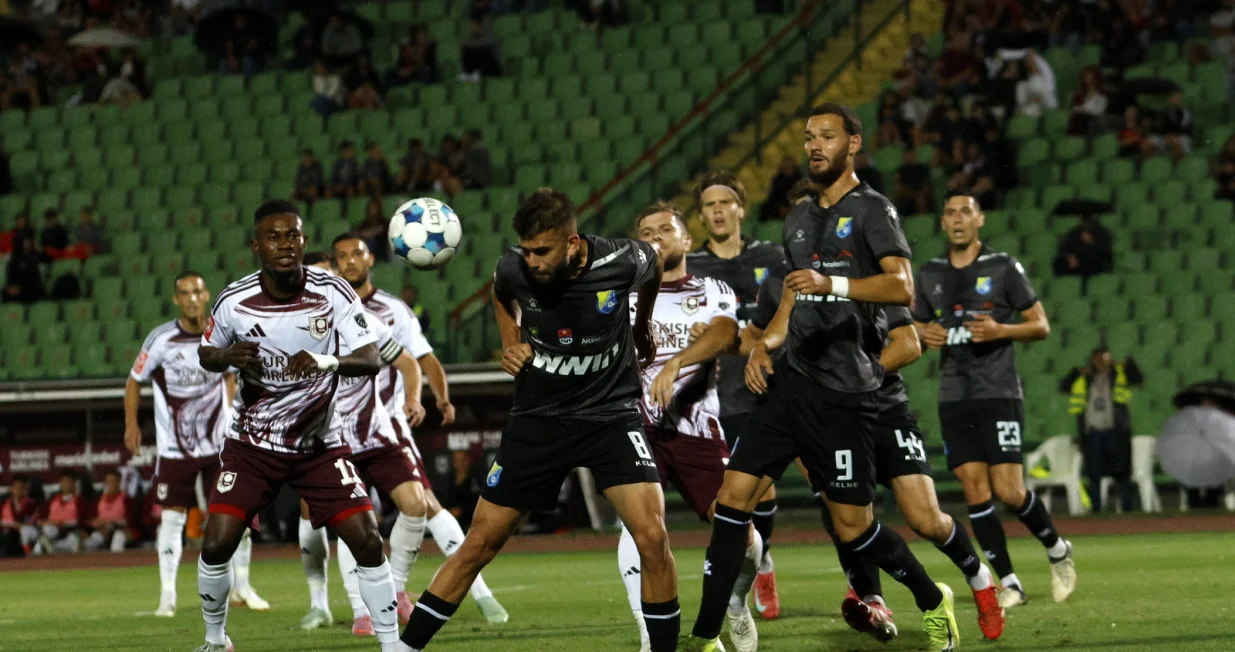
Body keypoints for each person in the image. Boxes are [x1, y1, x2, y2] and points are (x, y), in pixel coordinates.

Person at [682, 104, 959, 652]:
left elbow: (900, 285)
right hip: (790, 386)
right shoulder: (799, 219)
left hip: (846, 393)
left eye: (827, 137)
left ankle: (932, 600)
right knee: (733, 500)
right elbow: (793, 293)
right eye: (809, 136)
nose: (814, 146)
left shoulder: (874, 210)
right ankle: (705, 637)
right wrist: (765, 344)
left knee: (854, 528)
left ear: (852, 144)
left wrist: (832, 285)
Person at [397, 189, 678, 652]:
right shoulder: (514, 267)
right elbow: (500, 292)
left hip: (610, 414)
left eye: (541, 251)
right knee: (480, 543)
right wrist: (511, 338)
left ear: (572, 243)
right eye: (526, 250)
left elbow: (656, 265)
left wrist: (641, 324)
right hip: (539, 419)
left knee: (652, 535)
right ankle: (406, 649)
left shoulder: (625, 260)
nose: (531, 261)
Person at [739, 217, 1005, 643]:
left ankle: (979, 580)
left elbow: (909, 344)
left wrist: (861, 378)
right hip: (828, 416)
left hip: (883, 410)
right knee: (845, 516)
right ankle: (873, 597)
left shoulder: (866, 278)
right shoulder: (785, 282)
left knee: (925, 519)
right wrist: (758, 350)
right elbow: (770, 331)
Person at [193, 199, 399, 652]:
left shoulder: (335, 291)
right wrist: (227, 357)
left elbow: (371, 358)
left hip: (318, 446)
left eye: (293, 235)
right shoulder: (234, 300)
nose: (285, 244)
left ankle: (392, 644)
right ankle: (215, 641)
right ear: (256, 245)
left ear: (304, 241)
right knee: (215, 544)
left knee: (367, 539)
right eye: (274, 236)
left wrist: (326, 360)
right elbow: (206, 353)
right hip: (252, 446)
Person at [912, 191, 1076, 610]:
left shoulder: (1003, 268)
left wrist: (1000, 331)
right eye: (949, 213)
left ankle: (1057, 549)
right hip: (954, 393)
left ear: (979, 219)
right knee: (974, 488)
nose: (957, 219)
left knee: (1010, 490)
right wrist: (922, 334)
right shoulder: (929, 273)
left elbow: (1040, 325)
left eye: (965, 211)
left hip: (998, 391)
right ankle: (1010, 583)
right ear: (943, 223)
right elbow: (913, 326)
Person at [620, 201, 760, 652]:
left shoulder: (710, 288)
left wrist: (676, 362)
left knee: (742, 534)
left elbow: (723, 333)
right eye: (647, 231)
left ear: (685, 239)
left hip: (697, 427)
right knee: (640, 530)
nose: (656, 236)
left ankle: (736, 602)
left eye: (666, 229)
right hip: (638, 428)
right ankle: (650, 638)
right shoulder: (623, 296)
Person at [295, 250, 429, 635]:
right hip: (330, 444)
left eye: (326, 279)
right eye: (312, 280)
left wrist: (413, 398)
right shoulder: (293, 332)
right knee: (351, 524)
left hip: (375, 434)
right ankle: (359, 611)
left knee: (416, 505)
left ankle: (398, 588)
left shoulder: (364, 323)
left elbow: (406, 363)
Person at [125, 270, 267, 618]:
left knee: (242, 514)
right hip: (175, 448)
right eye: (184, 293)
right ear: (177, 299)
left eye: (197, 292)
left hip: (220, 445)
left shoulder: (221, 334)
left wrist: (237, 418)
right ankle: (168, 597)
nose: (191, 298)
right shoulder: (160, 339)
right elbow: (134, 380)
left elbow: (233, 379)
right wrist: (131, 424)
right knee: (172, 521)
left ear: (206, 296)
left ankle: (243, 587)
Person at [683, 170, 787, 619]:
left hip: (760, 391)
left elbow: (790, 313)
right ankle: (747, 570)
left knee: (761, 493)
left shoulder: (774, 258)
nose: (719, 211)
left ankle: (759, 564)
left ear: (741, 208)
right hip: (711, 397)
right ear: (701, 216)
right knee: (731, 500)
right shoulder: (692, 267)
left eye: (726, 202)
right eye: (709, 205)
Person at [1060, 348, 1144, 512]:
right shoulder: (1085, 378)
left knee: (1121, 471)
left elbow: (1138, 379)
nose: (1101, 363)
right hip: (1093, 431)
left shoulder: (1118, 374)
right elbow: (1064, 386)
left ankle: (1127, 506)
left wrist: (1129, 364)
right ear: (1092, 360)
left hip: (1116, 429)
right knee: (1094, 472)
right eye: (1098, 359)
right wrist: (1076, 372)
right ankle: (1096, 507)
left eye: (1105, 359)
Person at [34, 471, 85, 555]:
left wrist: (62, 523)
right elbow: (40, 519)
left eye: (68, 481)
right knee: (46, 532)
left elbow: (81, 520)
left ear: (74, 483)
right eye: (63, 482)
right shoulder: (52, 500)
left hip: (70, 531)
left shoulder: (80, 500)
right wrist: (48, 523)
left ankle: (47, 544)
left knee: (73, 541)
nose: (66, 484)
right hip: (52, 530)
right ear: (60, 483)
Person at [85, 470, 133, 553]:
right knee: (90, 542)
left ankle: (117, 564)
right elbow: (88, 520)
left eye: (113, 481)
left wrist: (111, 523)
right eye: (108, 482)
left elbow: (131, 522)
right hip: (102, 531)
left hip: (120, 531)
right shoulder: (99, 499)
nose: (110, 485)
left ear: (119, 482)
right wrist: (94, 523)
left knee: (118, 537)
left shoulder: (126, 499)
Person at [0, 476, 39, 557]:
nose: (18, 489)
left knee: (27, 530)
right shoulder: (4, 503)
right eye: (16, 487)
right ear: (11, 489)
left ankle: (29, 553)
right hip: (7, 533)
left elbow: (33, 520)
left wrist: (21, 526)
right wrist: (15, 525)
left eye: (21, 487)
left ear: (26, 489)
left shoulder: (31, 504)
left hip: (24, 533)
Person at [761, 155, 804, 221]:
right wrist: (780, 208)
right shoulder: (777, 179)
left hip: (795, 207)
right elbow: (773, 196)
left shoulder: (799, 179)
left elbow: (802, 195)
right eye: (786, 167)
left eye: (790, 167)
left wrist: (791, 208)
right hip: (780, 208)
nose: (788, 169)